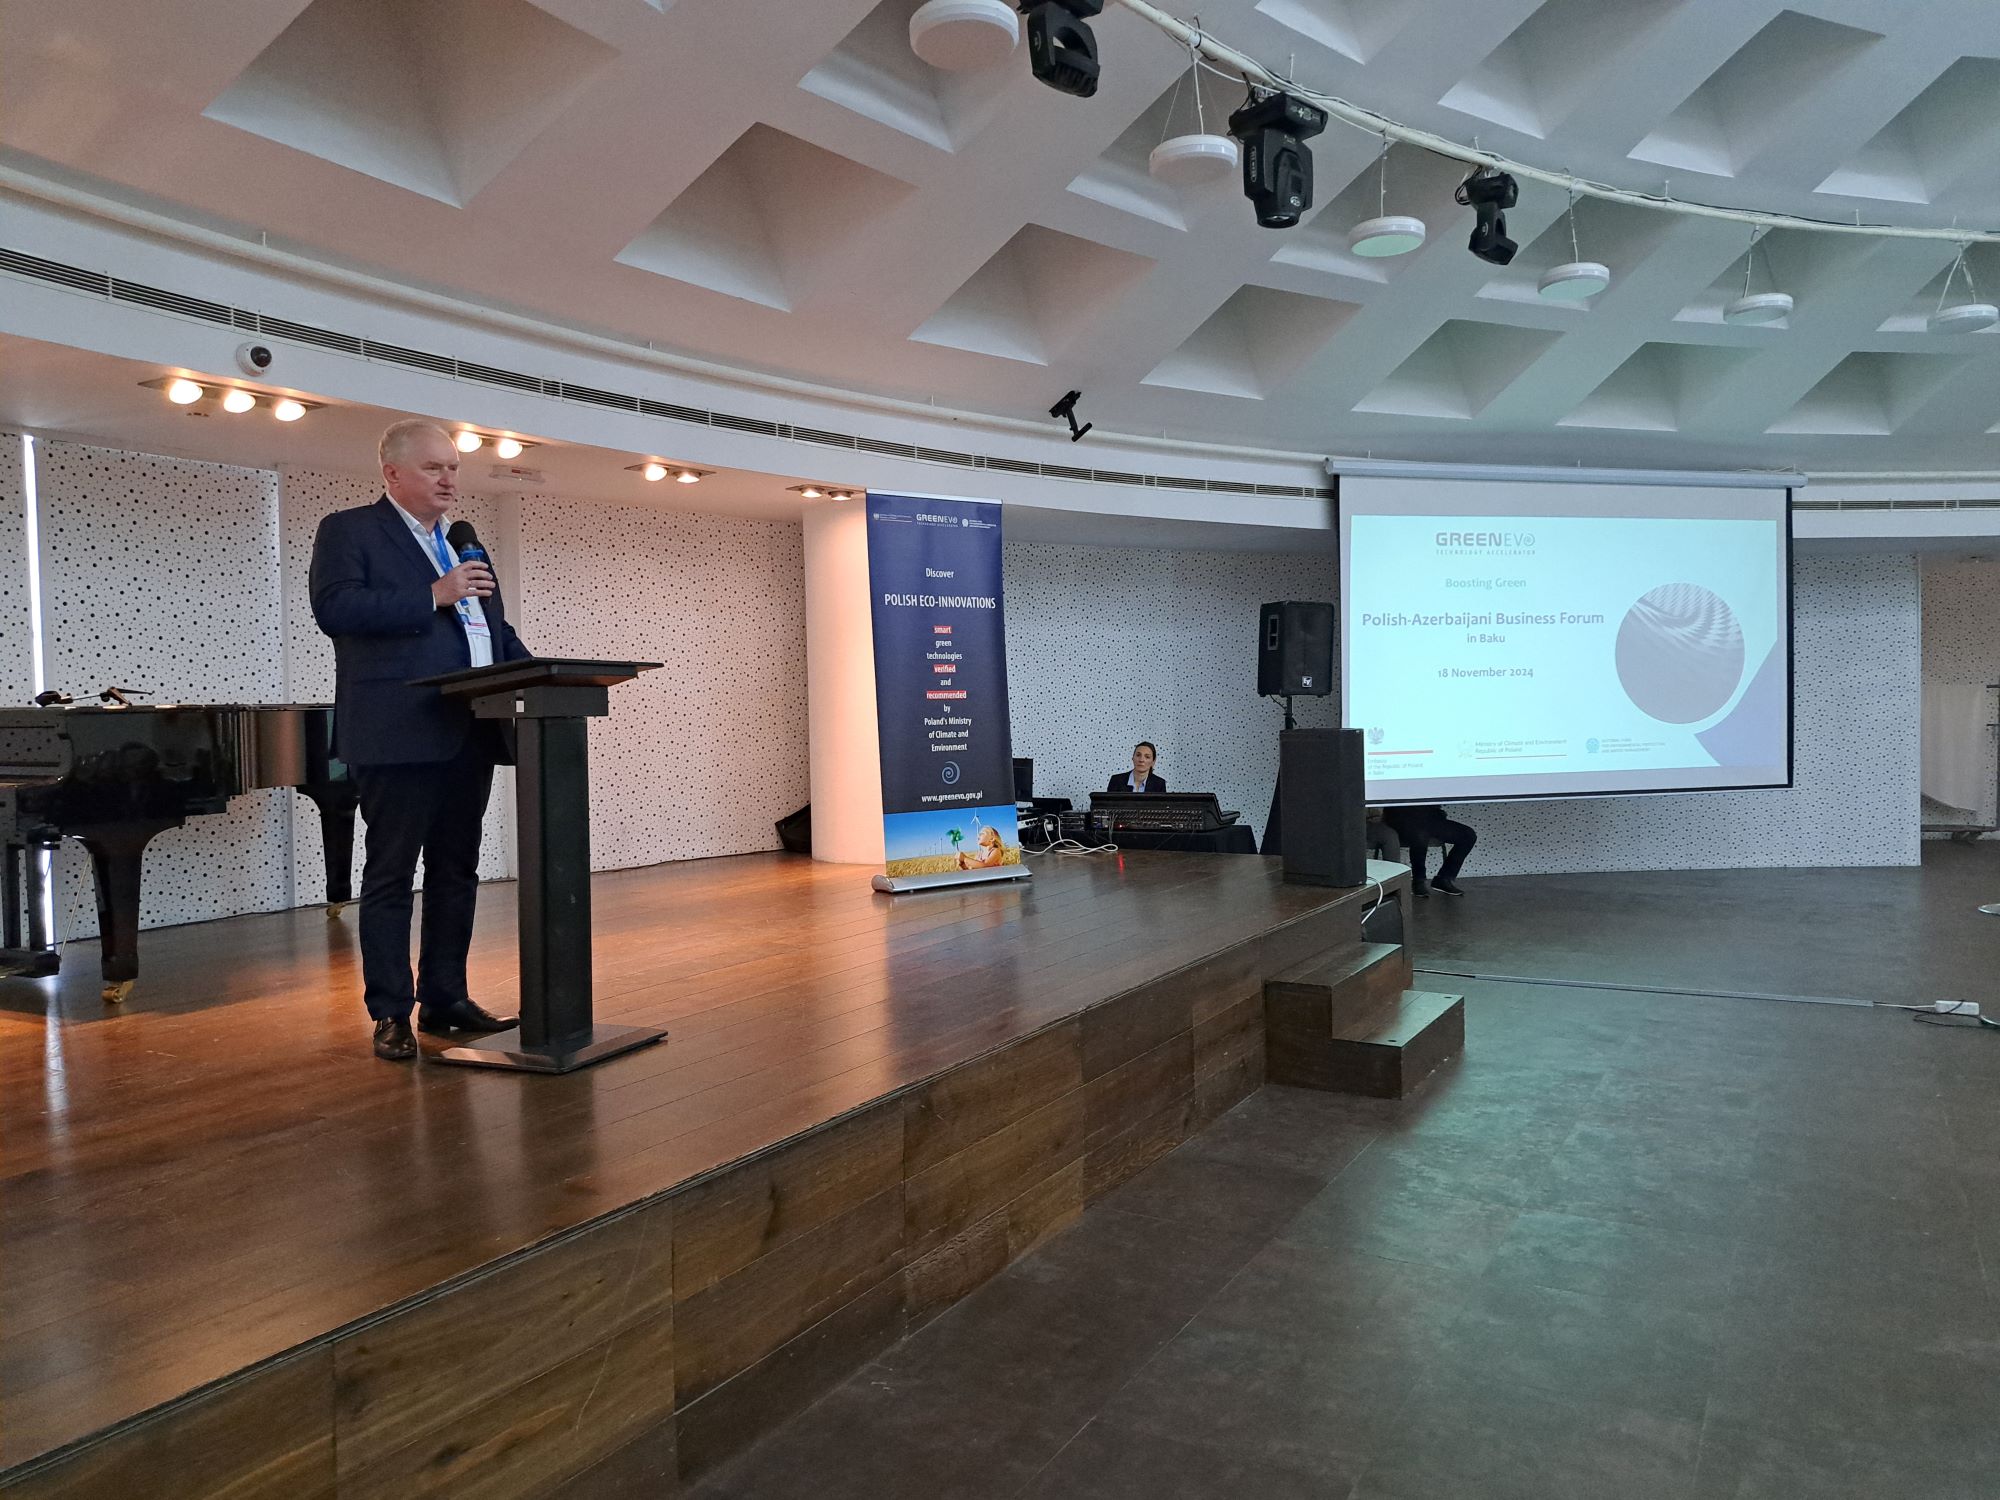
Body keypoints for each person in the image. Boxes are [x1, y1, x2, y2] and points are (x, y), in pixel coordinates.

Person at [310, 420, 532, 1060]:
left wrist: (542, 672)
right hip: (397, 733)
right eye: (435, 468)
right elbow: (336, 609)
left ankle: (445, 998)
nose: (449, 479)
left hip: (469, 731)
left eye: (454, 468)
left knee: (456, 871)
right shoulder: (350, 530)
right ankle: (390, 1011)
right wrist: (433, 593)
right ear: (393, 473)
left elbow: (490, 629)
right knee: (391, 875)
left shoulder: (463, 545)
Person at [1382, 804, 1476, 897]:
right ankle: (1418, 880)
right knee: (1420, 834)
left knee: (1468, 835)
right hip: (1401, 818)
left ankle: (1443, 878)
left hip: (1431, 818)